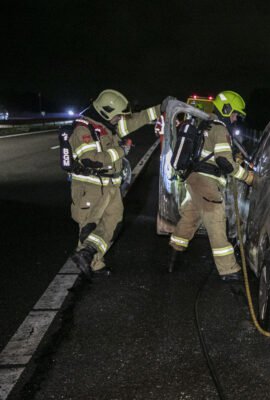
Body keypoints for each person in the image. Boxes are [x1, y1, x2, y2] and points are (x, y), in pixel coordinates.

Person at [63, 89, 160, 277]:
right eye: (118, 115)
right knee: (90, 227)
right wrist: (121, 151)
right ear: (106, 112)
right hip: (90, 187)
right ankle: (92, 263)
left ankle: (89, 256)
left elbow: (136, 120)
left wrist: (160, 108)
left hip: (109, 186)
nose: (120, 119)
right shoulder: (83, 130)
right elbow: (90, 159)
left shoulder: (106, 126)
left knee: (113, 224)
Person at [167, 90, 254, 281]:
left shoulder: (205, 125)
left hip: (194, 179)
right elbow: (224, 162)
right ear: (226, 109)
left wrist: (234, 160)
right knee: (216, 221)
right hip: (206, 182)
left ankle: (174, 254)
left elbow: (215, 157)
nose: (235, 119)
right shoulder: (220, 129)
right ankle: (228, 269)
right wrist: (248, 177)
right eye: (234, 114)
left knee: (190, 217)